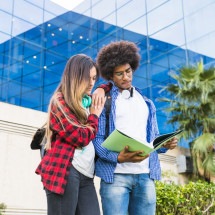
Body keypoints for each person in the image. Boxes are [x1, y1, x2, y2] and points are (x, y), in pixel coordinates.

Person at [92, 40, 178, 215]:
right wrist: (118, 158)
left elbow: (153, 139)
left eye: (128, 71)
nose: (126, 77)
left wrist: (165, 145)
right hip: (115, 177)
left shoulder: (147, 102)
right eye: (119, 74)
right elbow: (97, 139)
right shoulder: (105, 100)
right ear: (111, 76)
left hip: (146, 176)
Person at [35, 54, 105, 215]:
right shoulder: (59, 101)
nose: (92, 83)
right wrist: (94, 115)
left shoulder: (87, 101)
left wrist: (102, 88)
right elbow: (81, 137)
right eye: (88, 78)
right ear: (76, 76)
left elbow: (107, 86)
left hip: (87, 175)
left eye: (94, 78)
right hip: (65, 171)